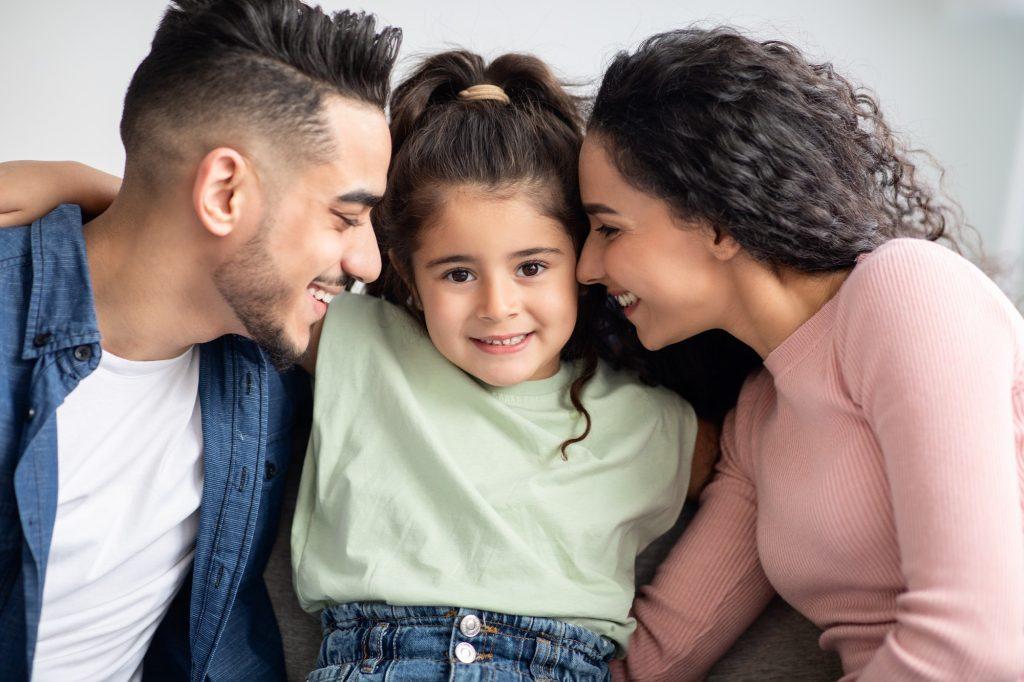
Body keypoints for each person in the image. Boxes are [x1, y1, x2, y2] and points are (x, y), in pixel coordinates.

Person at [3, 49, 719, 680]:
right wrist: (89, 187)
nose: (499, 306)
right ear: (408, 273)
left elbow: (757, 463)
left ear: (584, 260)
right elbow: (224, 256)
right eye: (458, 273)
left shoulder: (650, 423)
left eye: (532, 266)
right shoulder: (358, 343)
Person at [574, 27, 1024, 680]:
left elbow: (978, 642)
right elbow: (655, 659)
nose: (587, 267)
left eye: (609, 228)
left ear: (718, 223)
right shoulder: (761, 415)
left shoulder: (904, 292)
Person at [0, 1, 400, 680]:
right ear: (222, 193)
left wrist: (92, 186)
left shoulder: (263, 349)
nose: (369, 262)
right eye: (345, 216)